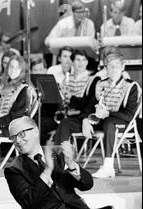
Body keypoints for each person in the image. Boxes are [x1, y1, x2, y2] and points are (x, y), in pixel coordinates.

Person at [53, 48, 141, 179]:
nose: (113, 69)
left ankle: (108, 167)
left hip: (119, 123)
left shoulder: (131, 86)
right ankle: (62, 163)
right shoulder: (100, 84)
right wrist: (85, 120)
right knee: (66, 123)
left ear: (123, 67)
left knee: (109, 123)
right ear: (106, 68)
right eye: (109, 66)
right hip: (97, 121)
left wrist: (108, 114)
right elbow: (89, 108)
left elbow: (129, 115)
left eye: (116, 66)